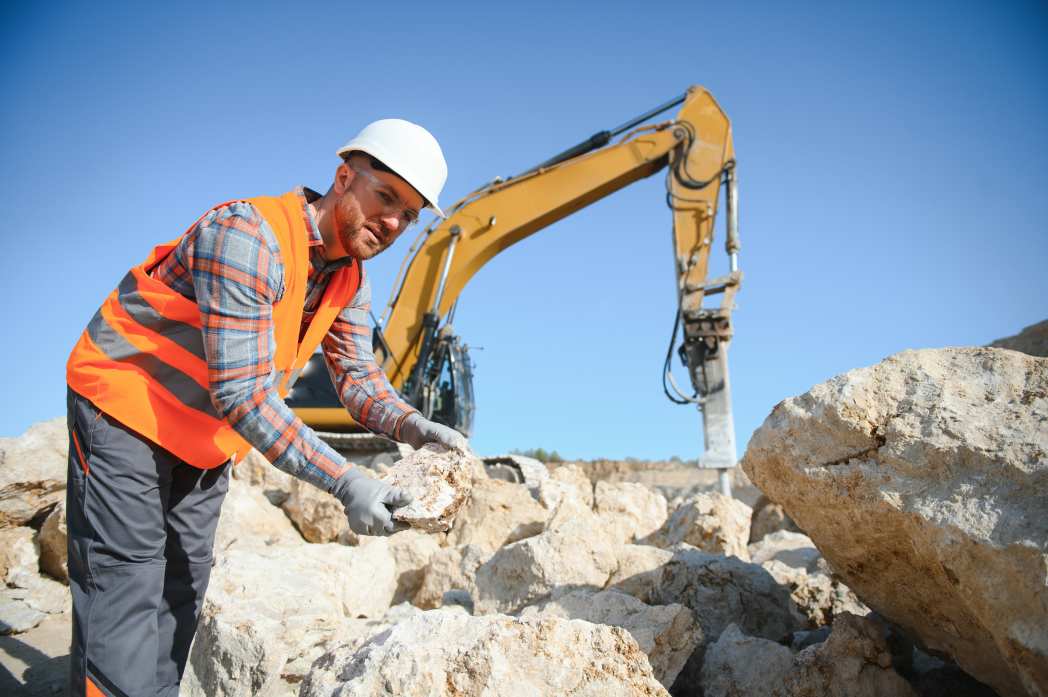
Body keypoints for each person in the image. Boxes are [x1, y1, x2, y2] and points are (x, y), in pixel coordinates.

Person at [64, 119, 468, 696]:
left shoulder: (350, 280)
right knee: (126, 584)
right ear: (344, 177)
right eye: (386, 198)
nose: (392, 223)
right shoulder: (248, 236)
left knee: (183, 589)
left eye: (409, 214)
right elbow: (244, 393)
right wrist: (347, 482)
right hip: (126, 408)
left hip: (204, 437)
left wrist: (413, 426)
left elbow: (357, 377)